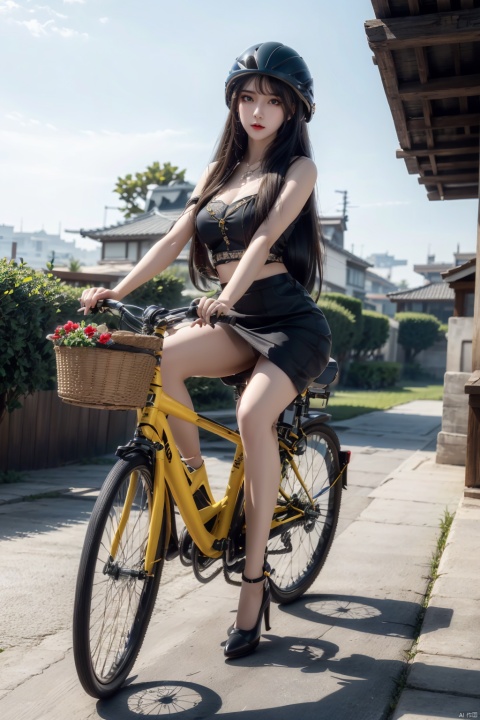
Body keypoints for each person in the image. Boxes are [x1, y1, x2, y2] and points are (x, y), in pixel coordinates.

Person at [80, 41, 332, 660]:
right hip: (233, 314)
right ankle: (195, 497)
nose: (257, 110)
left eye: (272, 100)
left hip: (288, 324)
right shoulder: (218, 174)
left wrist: (227, 295)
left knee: (252, 418)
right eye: (248, 97)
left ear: (292, 110)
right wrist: (118, 287)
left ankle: (251, 588)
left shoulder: (299, 170)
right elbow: (172, 240)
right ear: (234, 104)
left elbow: (267, 235)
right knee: (159, 359)